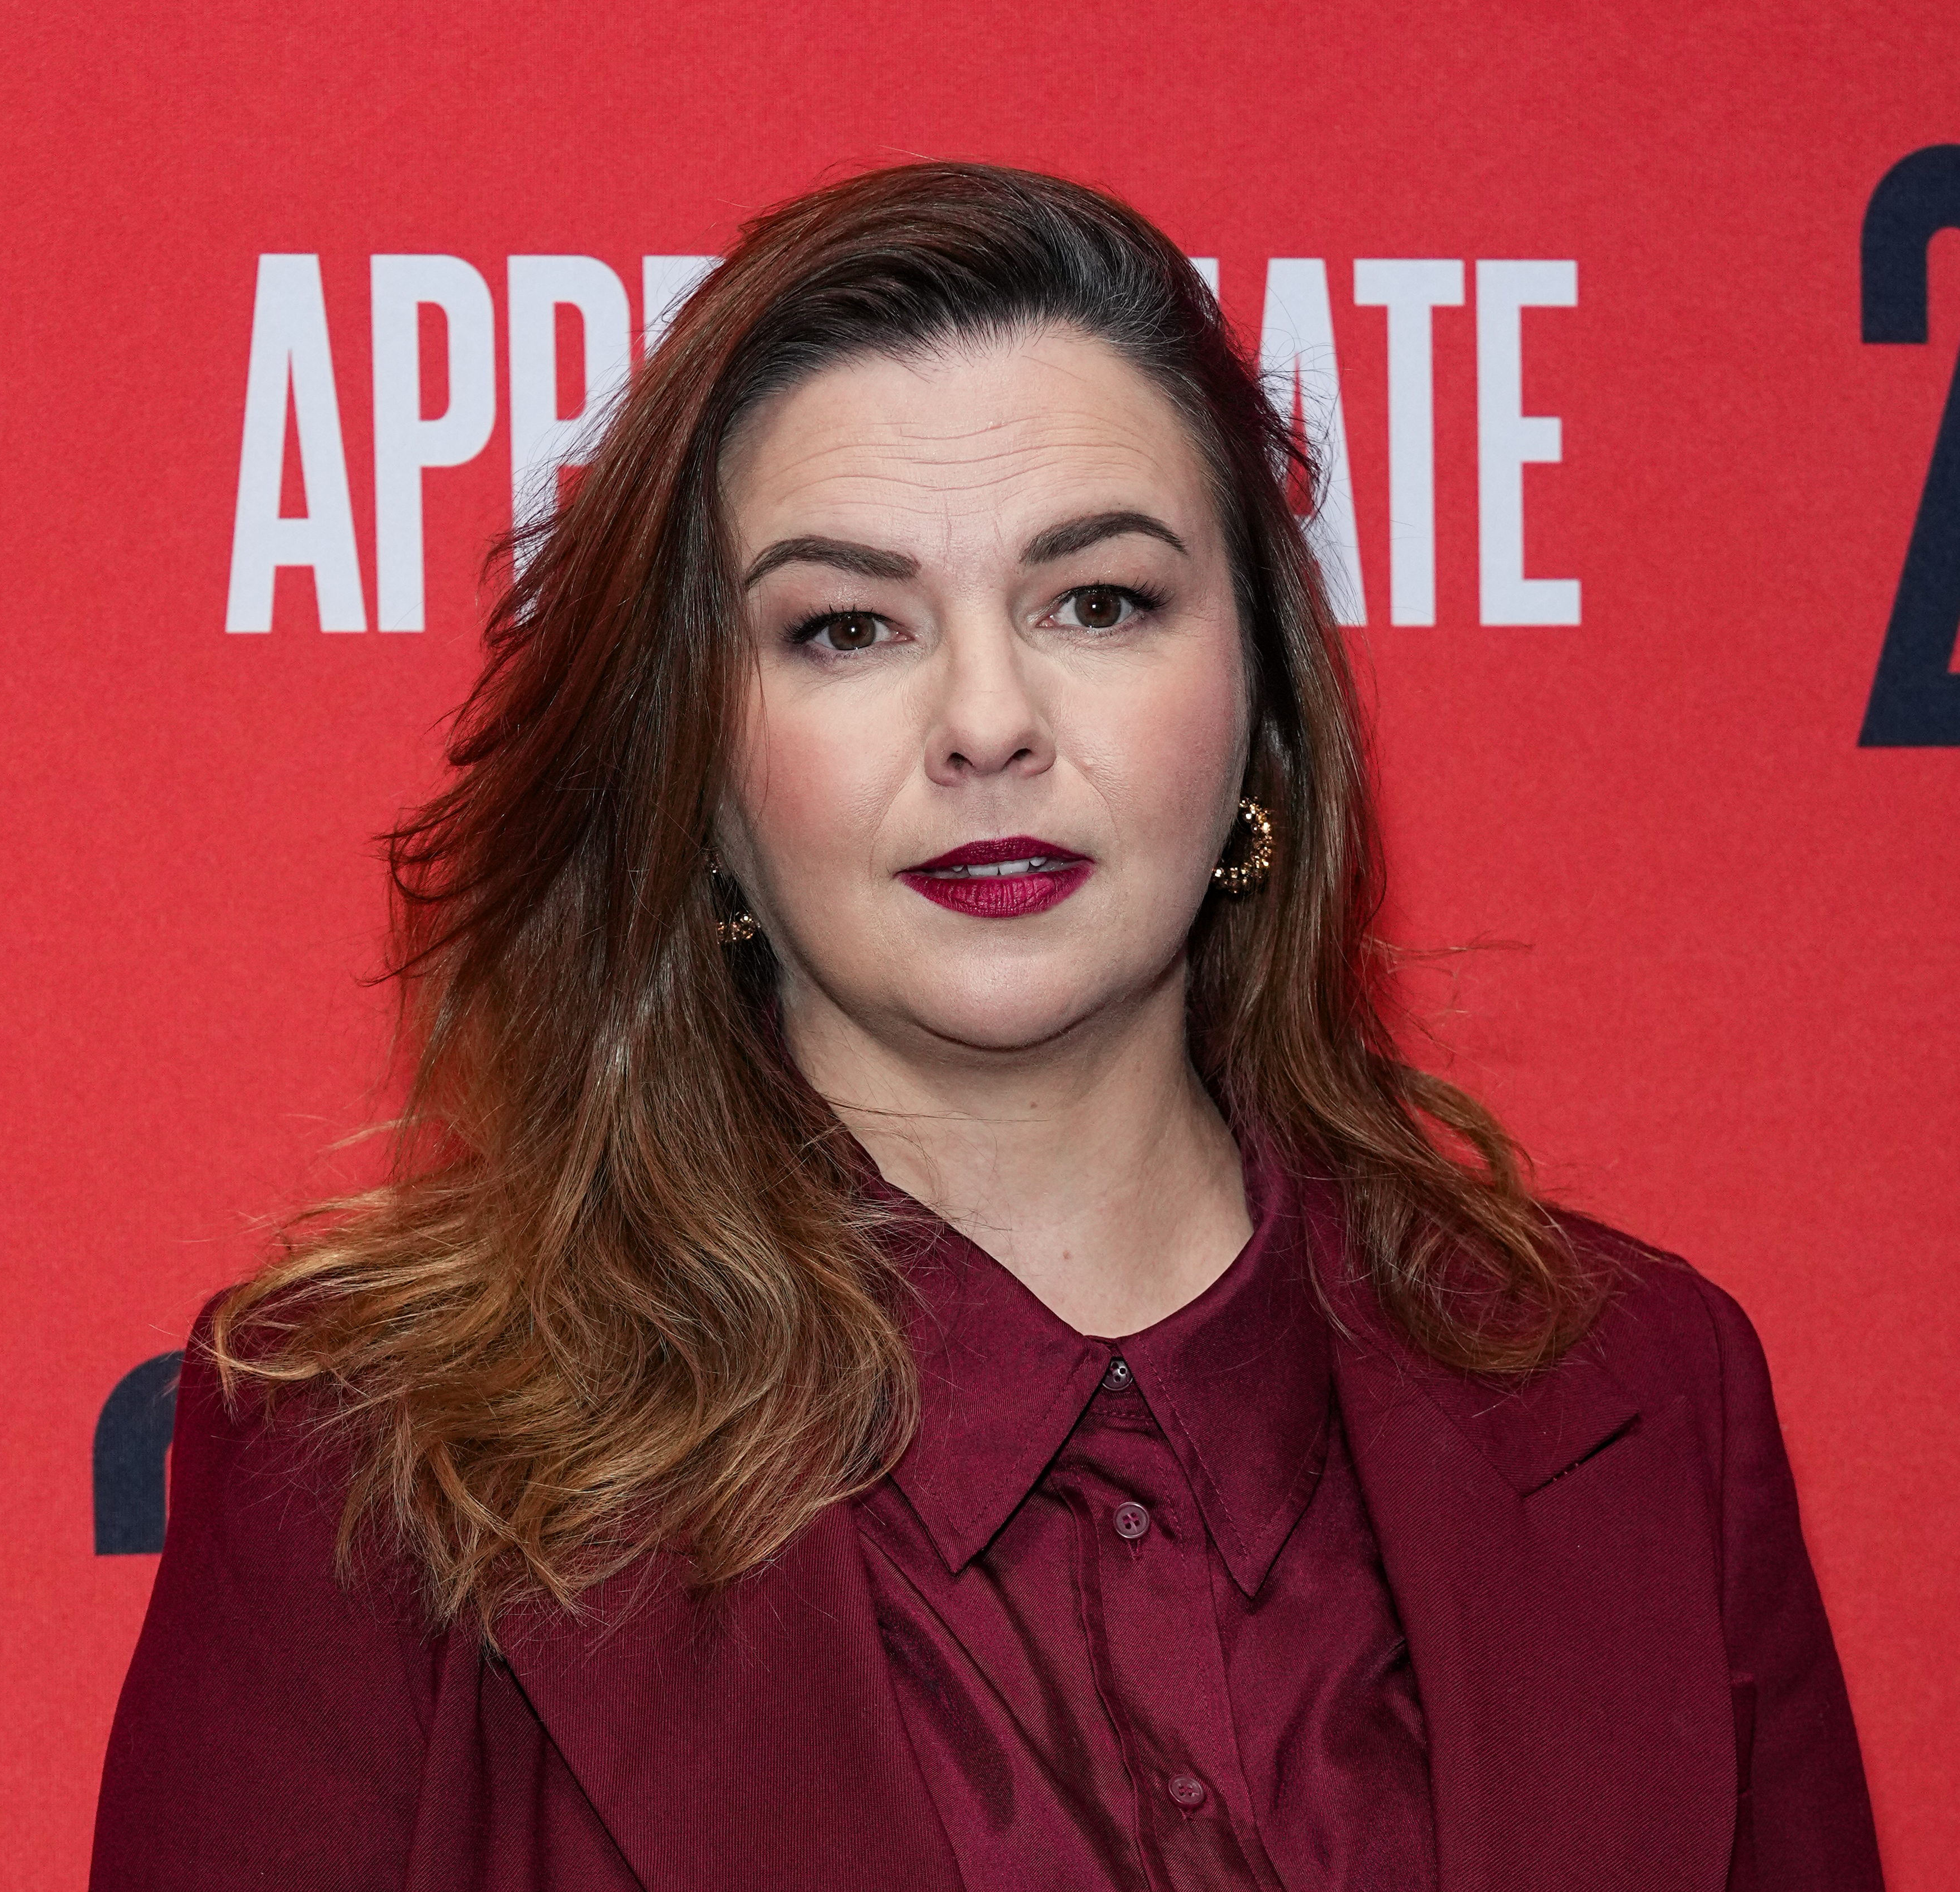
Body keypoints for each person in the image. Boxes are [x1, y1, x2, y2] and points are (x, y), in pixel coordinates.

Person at [90, 163, 1883, 1892]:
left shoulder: (1644, 1395)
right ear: (700, 776)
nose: (988, 719)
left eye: (1096, 600)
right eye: (849, 626)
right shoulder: (374, 1463)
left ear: (1261, 705)